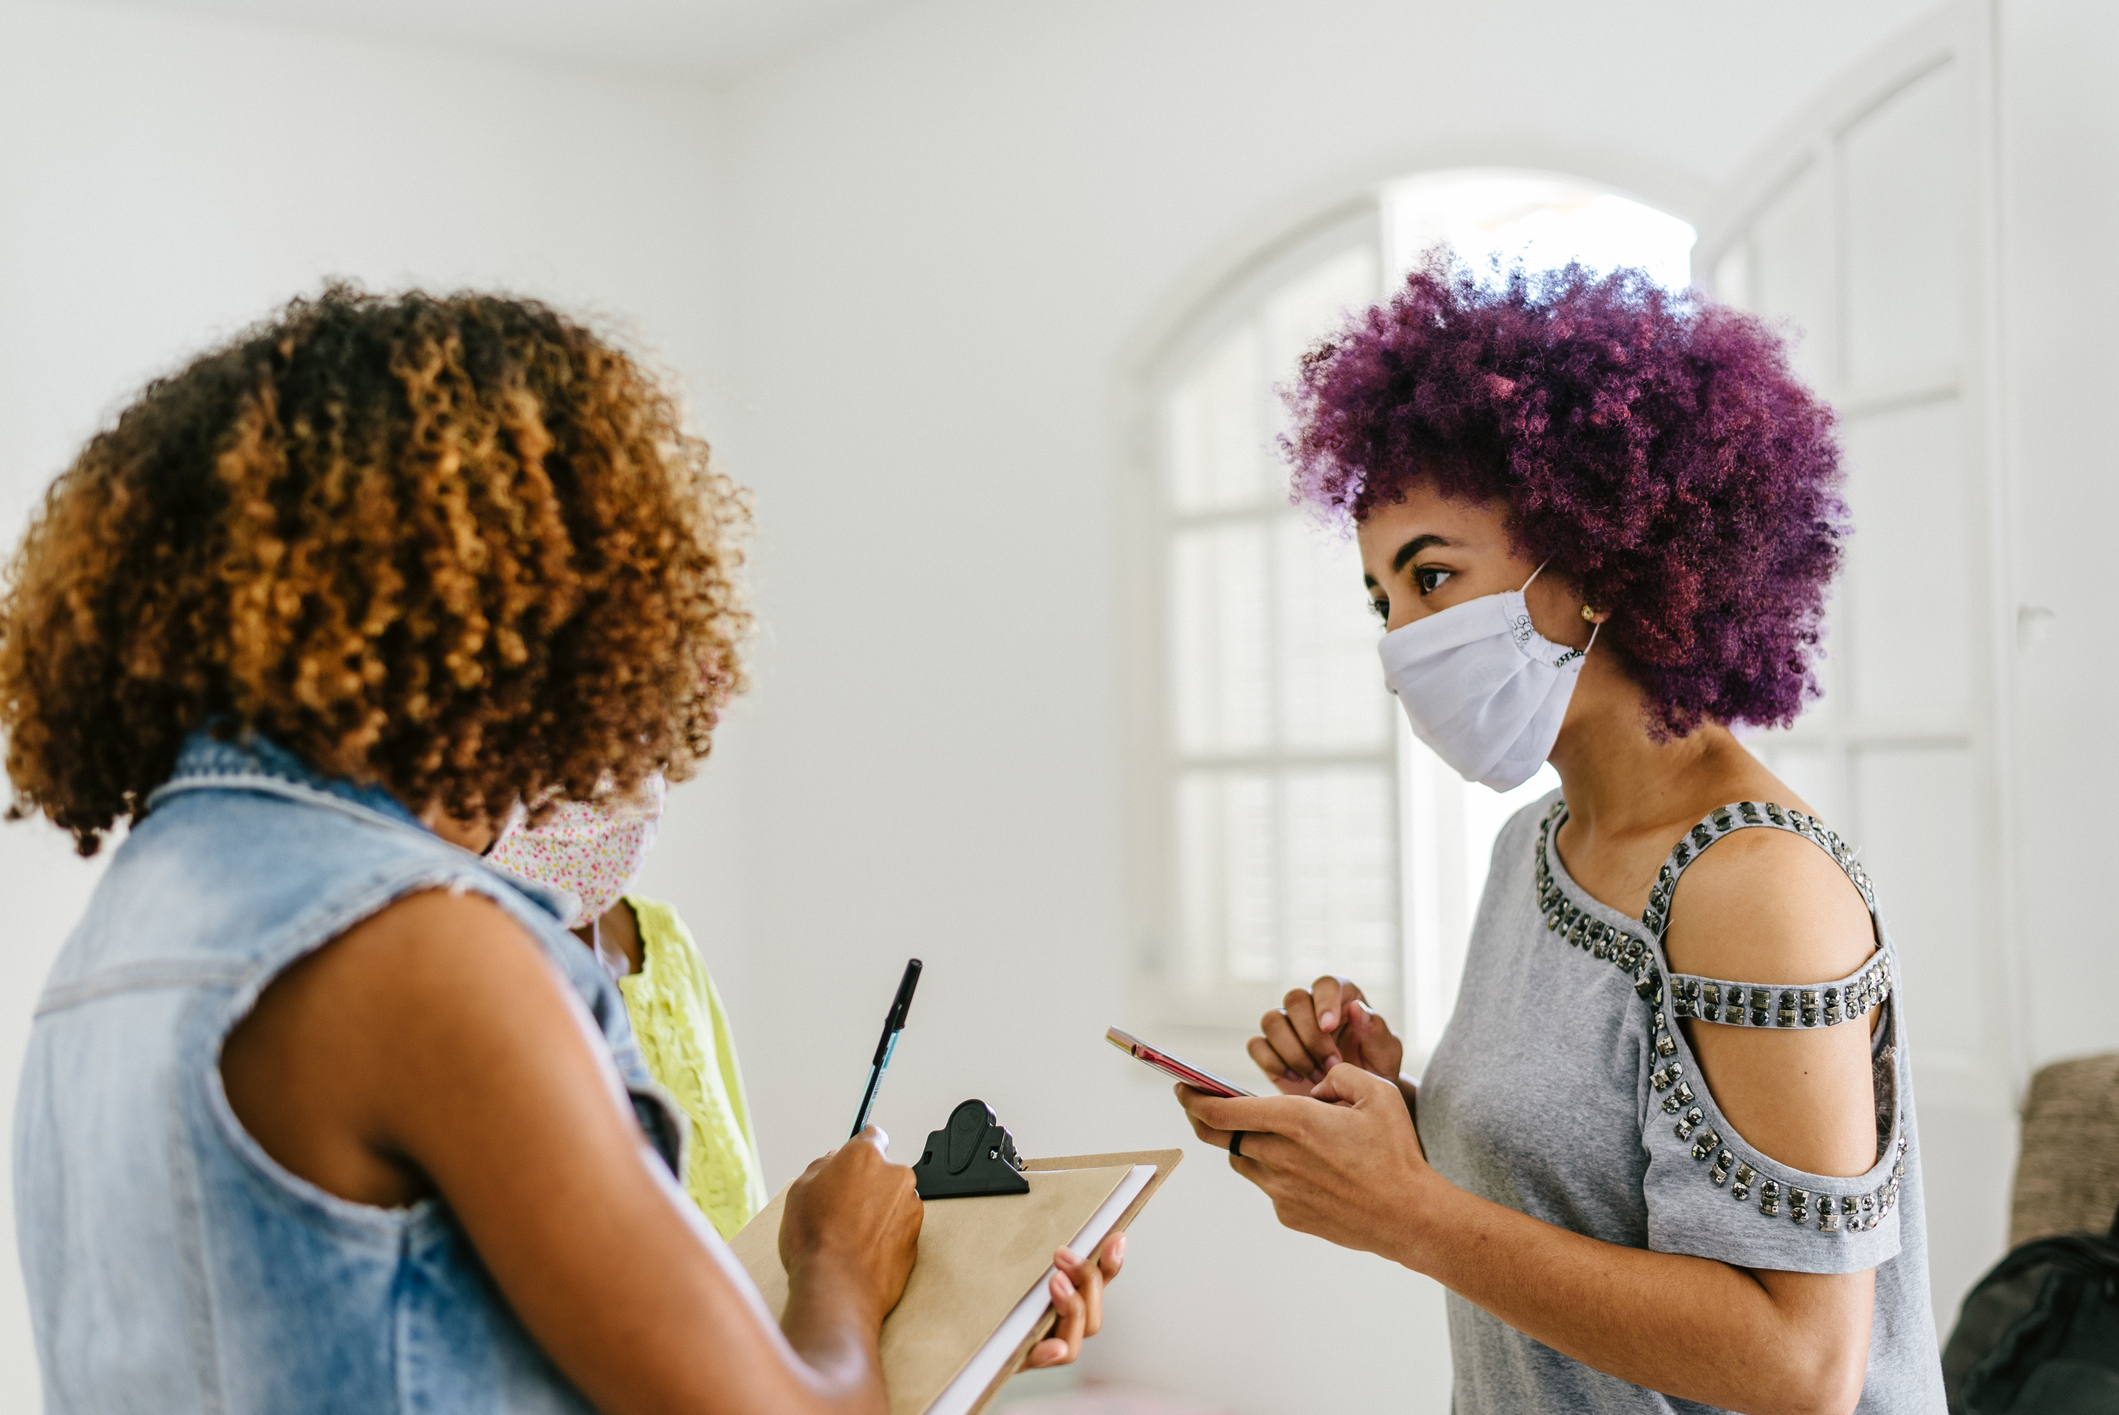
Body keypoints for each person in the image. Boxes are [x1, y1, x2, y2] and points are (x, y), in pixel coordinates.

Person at [1, 285, 1117, 1414]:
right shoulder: (423, 951)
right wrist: (839, 1262)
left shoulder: (116, 944)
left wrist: (929, 1334)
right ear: (512, 611)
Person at [1174, 262, 1942, 1414]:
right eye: (1383, 599)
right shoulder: (1537, 845)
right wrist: (1390, 1120)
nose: (1400, 639)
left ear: (1591, 564)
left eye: (1432, 575)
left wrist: (1408, 1211)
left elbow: (1800, 1365)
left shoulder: (1756, 884)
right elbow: (1582, 1194)